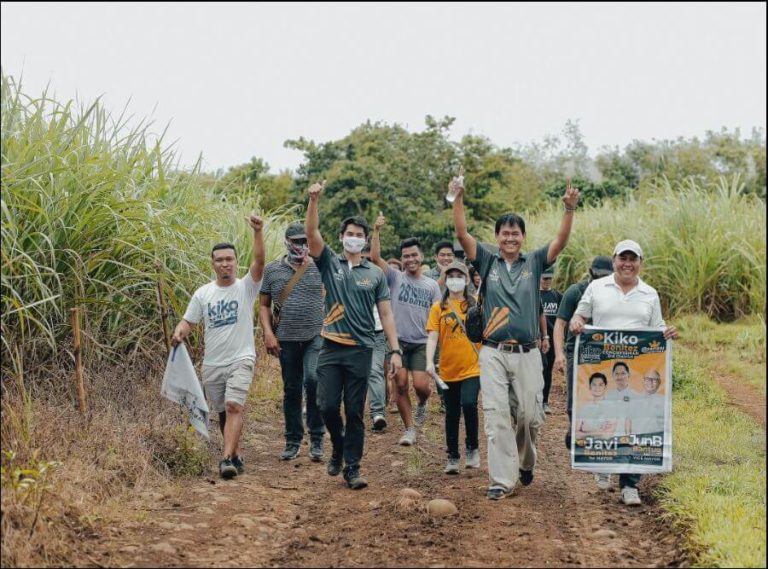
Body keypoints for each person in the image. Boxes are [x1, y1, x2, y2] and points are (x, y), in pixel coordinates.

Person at [452, 175, 581, 500]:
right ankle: (501, 480)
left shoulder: (535, 262)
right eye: (504, 233)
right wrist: (458, 199)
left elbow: (560, 242)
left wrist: (569, 210)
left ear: (523, 237)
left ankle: (526, 463)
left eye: (515, 233)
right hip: (493, 351)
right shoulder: (487, 259)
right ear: (497, 237)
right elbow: (462, 233)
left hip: (528, 353)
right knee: (496, 417)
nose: (510, 237)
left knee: (528, 416)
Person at [305, 181, 403, 490]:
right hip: (331, 347)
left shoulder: (374, 274)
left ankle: (353, 467)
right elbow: (311, 233)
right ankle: (338, 444)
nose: (355, 239)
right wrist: (314, 200)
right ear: (341, 238)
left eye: (360, 236)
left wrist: (395, 349)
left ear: (364, 240)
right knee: (326, 406)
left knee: (356, 411)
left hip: (361, 350)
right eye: (350, 235)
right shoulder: (329, 263)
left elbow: (386, 313)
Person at [570, 239, 678, 506]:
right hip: (603, 368)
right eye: (623, 258)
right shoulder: (597, 288)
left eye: (633, 259)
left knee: (634, 421)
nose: (627, 264)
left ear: (640, 263)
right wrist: (577, 321)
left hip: (636, 368)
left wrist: (667, 332)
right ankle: (604, 465)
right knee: (607, 416)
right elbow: (580, 316)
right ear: (614, 260)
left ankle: (630, 485)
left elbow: (658, 327)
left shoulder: (649, 294)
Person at [171, 215, 265, 479]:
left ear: (236, 262)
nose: (225, 263)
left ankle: (225, 461)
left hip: (241, 358)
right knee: (223, 411)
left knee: (235, 405)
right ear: (213, 264)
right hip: (213, 364)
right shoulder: (203, 293)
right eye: (219, 260)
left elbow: (259, 262)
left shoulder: (246, 287)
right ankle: (234, 453)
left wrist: (258, 232)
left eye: (229, 259)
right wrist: (180, 332)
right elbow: (188, 321)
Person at [370, 215, 441, 446]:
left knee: (421, 386)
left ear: (421, 257)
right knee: (400, 385)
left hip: (421, 343)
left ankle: (422, 403)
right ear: (402, 259)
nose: (410, 259)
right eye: (406, 256)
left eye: (414, 255)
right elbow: (374, 257)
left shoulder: (431, 286)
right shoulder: (395, 277)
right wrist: (377, 230)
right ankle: (409, 429)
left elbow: (437, 317)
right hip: (397, 343)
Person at [259, 223, 325, 462]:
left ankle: (317, 438)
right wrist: (268, 333)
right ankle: (293, 440)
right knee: (291, 389)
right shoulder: (273, 270)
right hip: (285, 338)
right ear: (287, 242)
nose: (301, 246)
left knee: (313, 380)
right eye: (296, 241)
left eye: (305, 241)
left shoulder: (319, 266)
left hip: (315, 335)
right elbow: (264, 305)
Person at [425, 261, 481, 474]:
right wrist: (430, 361)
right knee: (451, 412)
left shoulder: (475, 305)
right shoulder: (438, 307)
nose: (455, 280)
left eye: (459, 276)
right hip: (448, 369)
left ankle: (473, 448)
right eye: (451, 276)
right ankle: (452, 456)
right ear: (445, 280)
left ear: (467, 280)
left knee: (469, 404)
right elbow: (432, 336)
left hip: (472, 366)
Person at [553, 255, 614, 449]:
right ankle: (575, 428)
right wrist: (559, 354)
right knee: (574, 400)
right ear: (590, 273)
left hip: (605, 352)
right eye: (598, 276)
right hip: (577, 352)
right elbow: (560, 323)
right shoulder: (575, 292)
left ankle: (597, 437)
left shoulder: (615, 294)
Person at [361, 244, 388, 433]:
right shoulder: (347, 275)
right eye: (363, 258)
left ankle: (378, 413)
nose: (366, 261)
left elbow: (386, 311)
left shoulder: (379, 276)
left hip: (377, 332)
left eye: (369, 258)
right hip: (353, 332)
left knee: (375, 371)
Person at [539, 268, 562, 414]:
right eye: (544, 278)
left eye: (549, 279)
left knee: (547, 370)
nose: (547, 281)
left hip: (552, 339)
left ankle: (544, 401)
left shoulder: (557, 296)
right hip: (537, 338)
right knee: (535, 369)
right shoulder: (534, 295)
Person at [575, 372, 619, 438]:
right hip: (586, 447)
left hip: (606, 446)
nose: (597, 388)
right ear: (590, 387)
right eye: (594, 384)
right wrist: (598, 431)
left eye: (600, 385)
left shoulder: (612, 407)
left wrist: (586, 430)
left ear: (605, 387)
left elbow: (607, 435)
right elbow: (575, 434)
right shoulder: (584, 408)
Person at [630, 370, 665, 434]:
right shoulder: (635, 400)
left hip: (657, 439)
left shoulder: (664, 401)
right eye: (647, 379)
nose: (650, 382)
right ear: (643, 381)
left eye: (654, 380)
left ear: (659, 382)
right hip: (638, 439)